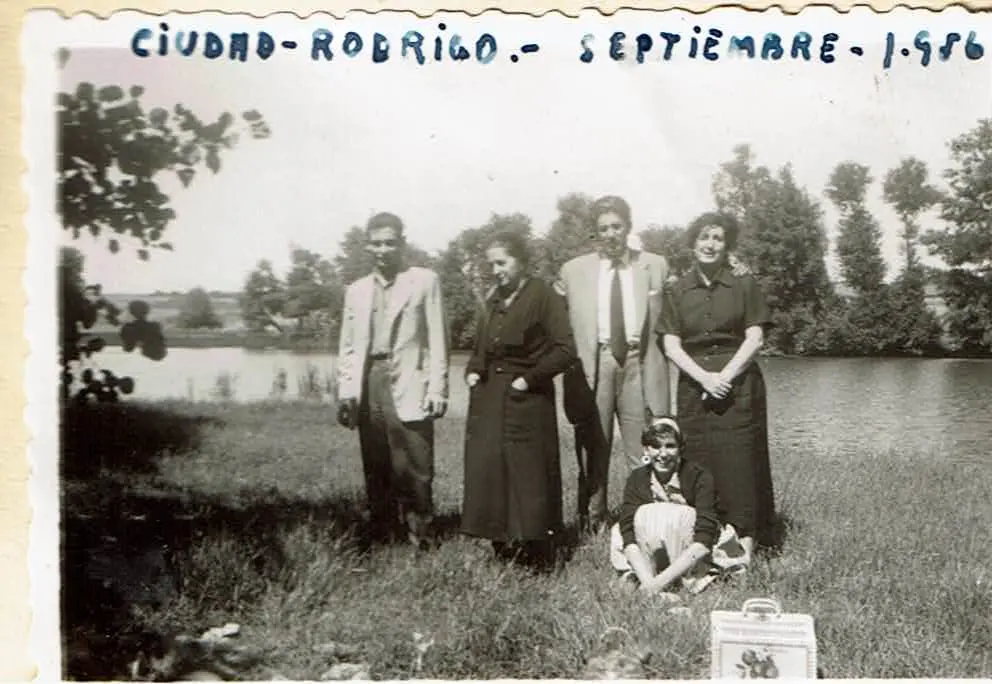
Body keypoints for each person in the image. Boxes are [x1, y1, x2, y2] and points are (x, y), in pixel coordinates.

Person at [656, 211, 776, 564]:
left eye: (717, 238)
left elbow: (755, 337)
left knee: (740, 463)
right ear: (693, 244)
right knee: (698, 462)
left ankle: (744, 550)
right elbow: (670, 344)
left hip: (738, 386)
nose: (709, 244)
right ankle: (703, 543)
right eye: (703, 237)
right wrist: (705, 378)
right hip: (695, 388)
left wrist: (725, 376)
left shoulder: (743, 285)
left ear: (727, 246)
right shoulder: (677, 291)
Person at [555, 195, 673, 535]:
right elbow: (550, 313)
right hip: (597, 361)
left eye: (616, 226)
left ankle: (646, 521)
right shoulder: (573, 270)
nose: (610, 234)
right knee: (594, 445)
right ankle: (591, 523)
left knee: (643, 446)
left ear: (628, 227)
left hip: (639, 360)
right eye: (603, 228)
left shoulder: (654, 265)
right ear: (595, 233)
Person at [461, 229, 577, 569]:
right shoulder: (494, 299)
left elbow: (565, 350)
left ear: (521, 261)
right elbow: (481, 347)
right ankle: (501, 545)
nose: (496, 271)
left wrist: (529, 379)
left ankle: (539, 552)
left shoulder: (542, 295)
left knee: (529, 475)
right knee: (491, 471)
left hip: (528, 398)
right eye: (492, 265)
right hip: (489, 399)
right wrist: (473, 369)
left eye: (502, 263)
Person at [336, 211, 450, 548]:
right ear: (367, 247)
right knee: (376, 462)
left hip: (410, 379)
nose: (383, 249)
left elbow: (437, 339)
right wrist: (347, 391)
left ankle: (422, 537)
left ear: (401, 243)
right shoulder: (355, 291)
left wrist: (438, 387)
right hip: (369, 380)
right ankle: (383, 535)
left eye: (390, 242)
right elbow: (347, 346)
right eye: (376, 243)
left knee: (415, 463)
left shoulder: (424, 281)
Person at [609, 417, 747, 596]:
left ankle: (689, 582)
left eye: (670, 446)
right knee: (624, 525)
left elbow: (704, 540)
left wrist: (658, 584)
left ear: (681, 448)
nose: (663, 454)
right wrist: (650, 584)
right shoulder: (637, 479)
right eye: (655, 446)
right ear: (646, 449)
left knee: (681, 515)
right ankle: (644, 576)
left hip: (693, 552)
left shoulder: (699, 477)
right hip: (652, 549)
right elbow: (628, 535)